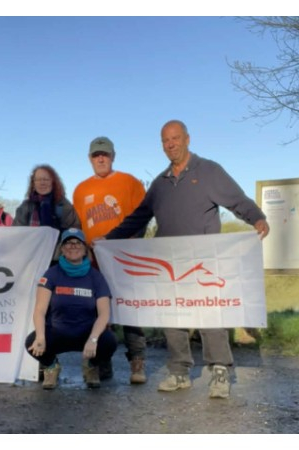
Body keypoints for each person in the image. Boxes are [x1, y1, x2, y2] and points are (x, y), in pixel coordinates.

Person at [105, 119, 270, 399]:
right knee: (172, 316)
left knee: (210, 314)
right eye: (165, 141)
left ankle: (220, 370)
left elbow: (237, 199)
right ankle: (179, 371)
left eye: (175, 138)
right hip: (169, 264)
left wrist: (257, 217)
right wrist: (109, 239)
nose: (171, 145)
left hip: (205, 261)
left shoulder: (209, 171)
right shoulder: (160, 183)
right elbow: (139, 217)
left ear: (187, 139)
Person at [73, 136, 148, 384]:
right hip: (95, 261)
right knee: (99, 313)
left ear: (113, 156)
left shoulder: (129, 182)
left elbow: (143, 216)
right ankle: (101, 362)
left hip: (125, 258)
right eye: (96, 155)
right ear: (90, 159)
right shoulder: (81, 190)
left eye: (104, 154)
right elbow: (79, 227)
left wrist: (130, 243)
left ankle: (137, 362)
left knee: (130, 311)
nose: (101, 159)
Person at [25, 228, 118, 390]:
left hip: (86, 334)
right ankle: (51, 366)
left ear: (85, 249)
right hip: (57, 332)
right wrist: (40, 336)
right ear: (62, 249)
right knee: (31, 343)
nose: (73, 246)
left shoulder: (96, 276)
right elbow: (39, 310)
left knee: (109, 342)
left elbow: (104, 314)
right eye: (68, 243)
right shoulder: (51, 274)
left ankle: (91, 365)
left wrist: (93, 339)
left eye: (77, 243)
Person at [13, 164, 80, 235]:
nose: (42, 183)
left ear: (53, 182)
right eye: (38, 180)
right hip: (31, 242)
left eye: (46, 179)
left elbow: (73, 231)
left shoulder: (63, 205)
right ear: (33, 183)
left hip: (57, 242)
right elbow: (17, 232)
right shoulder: (25, 206)